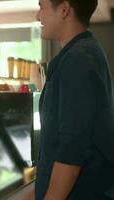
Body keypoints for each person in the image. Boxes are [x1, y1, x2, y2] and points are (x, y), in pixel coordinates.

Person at [26, 0, 114, 199]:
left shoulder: (78, 59)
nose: (38, 16)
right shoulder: (79, 54)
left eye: (42, 7)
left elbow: (72, 150)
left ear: (65, 10)